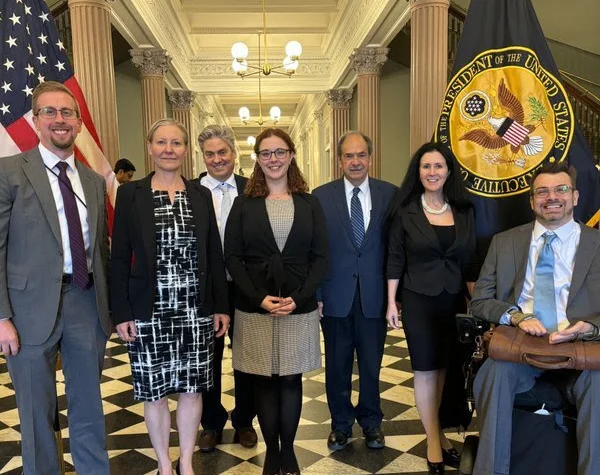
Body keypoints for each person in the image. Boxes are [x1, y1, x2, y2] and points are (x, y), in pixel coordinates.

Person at [0, 81, 111, 475]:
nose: (59, 120)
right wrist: (1, 318)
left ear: (79, 123)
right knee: (35, 410)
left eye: (67, 113)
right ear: (35, 119)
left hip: (85, 302)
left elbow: (101, 249)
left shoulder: (94, 181)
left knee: (89, 405)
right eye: (50, 112)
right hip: (27, 312)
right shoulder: (9, 171)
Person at [110, 119, 230, 475]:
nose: (168, 149)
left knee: (193, 390)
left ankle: (187, 462)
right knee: (154, 392)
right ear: (149, 147)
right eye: (161, 142)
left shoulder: (200, 194)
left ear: (185, 150)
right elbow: (118, 256)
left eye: (176, 143)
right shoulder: (131, 194)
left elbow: (215, 252)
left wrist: (220, 306)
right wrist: (122, 312)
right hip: (149, 309)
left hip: (195, 308)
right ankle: (164, 465)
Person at [470, 160, 600, 475]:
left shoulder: (597, 244)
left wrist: (591, 327)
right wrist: (514, 316)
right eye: (542, 191)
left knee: (599, 382)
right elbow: (480, 301)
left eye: (560, 189)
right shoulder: (504, 242)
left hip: (580, 349)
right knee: (495, 373)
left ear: (575, 197)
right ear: (532, 201)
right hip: (520, 347)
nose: (551, 197)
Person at [225, 128, 328, 475]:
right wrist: (259, 298)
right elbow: (233, 257)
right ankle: (272, 452)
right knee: (265, 380)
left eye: (279, 152)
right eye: (266, 153)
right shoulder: (244, 204)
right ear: (257, 159)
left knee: (290, 379)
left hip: (298, 306)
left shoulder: (309, 203)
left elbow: (321, 257)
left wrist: (298, 299)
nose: (273, 159)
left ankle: (290, 452)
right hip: (255, 307)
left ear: (291, 155)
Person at [386, 142, 476, 475]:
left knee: (443, 371)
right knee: (424, 370)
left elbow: (469, 260)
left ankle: (436, 431)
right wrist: (390, 303)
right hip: (417, 298)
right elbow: (395, 258)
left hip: (453, 299)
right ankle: (434, 444)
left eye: (439, 166)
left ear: (449, 171)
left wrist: (475, 303)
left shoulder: (464, 209)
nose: (432, 172)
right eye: (426, 166)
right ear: (418, 171)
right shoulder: (405, 209)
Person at [312, 131, 397, 451]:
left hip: (375, 297)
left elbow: (395, 249)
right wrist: (318, 293)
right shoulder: (320, 197)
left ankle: (372, 423)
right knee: (337, 366)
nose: (356, 161)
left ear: (370, 158)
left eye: (361, 155)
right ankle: (341, 425)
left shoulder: (391, 194)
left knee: (372, 366)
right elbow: (316, 251)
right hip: (335, 298)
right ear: (339, 161)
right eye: (349, 156)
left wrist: (394, 297)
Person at [197, 124, 258, 451]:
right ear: (203, 156)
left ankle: (245, 420)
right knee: (208, 359)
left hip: (244, 289)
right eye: (210, 153)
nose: (217, 158)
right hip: (206, 292)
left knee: (246, 358)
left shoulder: (252, 190)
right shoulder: (191, 190)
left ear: (234, 154)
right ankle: (211, 423)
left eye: (222, 152)